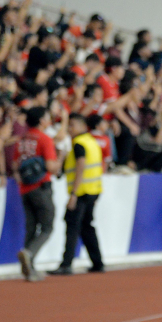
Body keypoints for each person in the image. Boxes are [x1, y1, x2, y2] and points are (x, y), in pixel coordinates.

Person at [49, 114, 104, 275]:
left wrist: (73, 193)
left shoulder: (79, 144)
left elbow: (81, 166)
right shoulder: (92, 142)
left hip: (81, 192)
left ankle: (66, 264)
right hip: (93, 190)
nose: (69, 129)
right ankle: (97, 262)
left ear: (82, 126)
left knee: (72, 226)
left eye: (72, 125)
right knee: (87, 226)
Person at [15, 107, 59, 281]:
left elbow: (15, 165)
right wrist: (60, 159)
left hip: (25, 189)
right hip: (41, 187)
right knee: (47, 227)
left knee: (31, 227)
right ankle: (29, 253)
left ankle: (29, 269)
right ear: (42, 120)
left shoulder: (22, 139)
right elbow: (50, 166)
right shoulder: (45, 139)